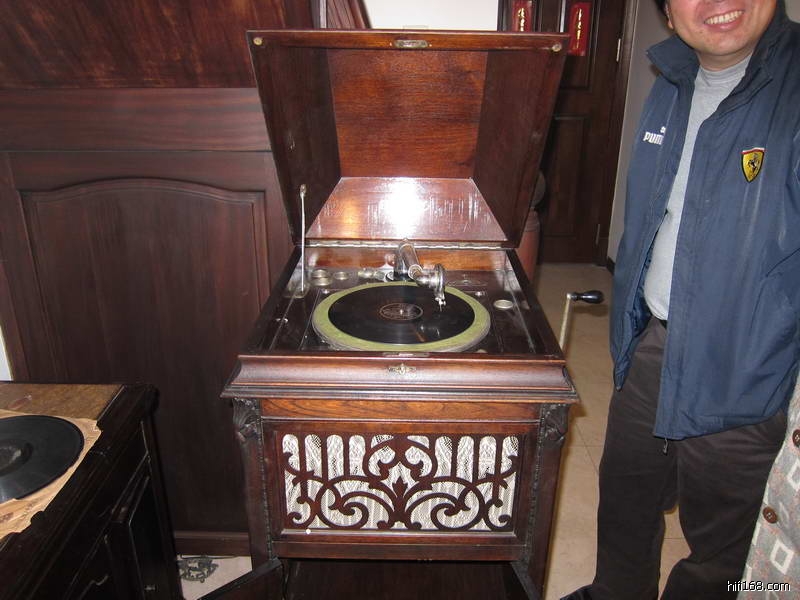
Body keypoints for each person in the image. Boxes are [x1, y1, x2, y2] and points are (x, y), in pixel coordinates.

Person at [562, 1, 800, 598]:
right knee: (626, 492)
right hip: (654, 338)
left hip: (748, 364)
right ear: (669, 13)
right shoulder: (673, 78)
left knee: (721, 545)